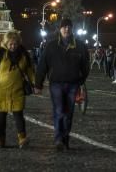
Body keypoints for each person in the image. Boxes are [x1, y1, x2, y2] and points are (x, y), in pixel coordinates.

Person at [35, 18, 89, 152]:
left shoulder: (80, 46)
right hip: (56, 83)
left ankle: (65, 139)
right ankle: (58, 139)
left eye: (68, 27)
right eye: (64, 27)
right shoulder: (51, 46)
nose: (66, 29)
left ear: (72, 29)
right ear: (60, 29)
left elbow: (86, 66)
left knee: (68, 113)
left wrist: (81, 79)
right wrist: (38, 84)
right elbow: (43, 65)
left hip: (73, 84)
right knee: (59, 110)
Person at [0, 30, 36, 148]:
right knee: (1, 117)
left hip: (17, 89)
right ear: (6, 43)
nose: (13, 46)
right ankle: (1, 140)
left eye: (15, 44)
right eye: (11, 44)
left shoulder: (23, 54)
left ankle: (22, 139)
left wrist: (35, 82)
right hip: (1, 90)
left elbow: (29, 70)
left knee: (19, 115)